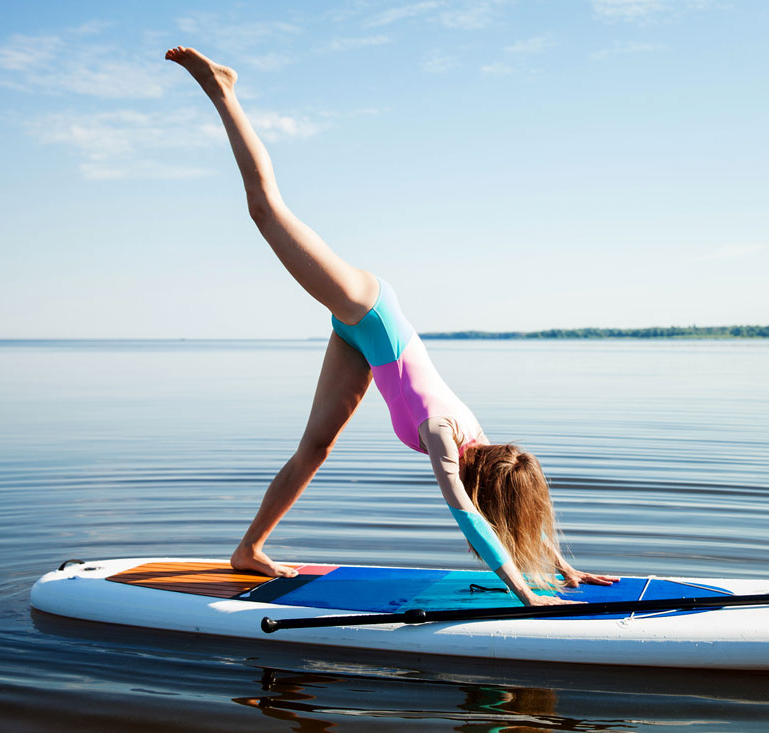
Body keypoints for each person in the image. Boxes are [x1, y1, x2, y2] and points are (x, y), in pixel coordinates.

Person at [166, 47, 618, 606]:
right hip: (369, 308)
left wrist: (563, 565)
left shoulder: (479, 446)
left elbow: (501, 509)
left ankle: (248, 549)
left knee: (315, 447)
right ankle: (223, 90)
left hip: (360, 342)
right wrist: (526, 593)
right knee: (265, 209)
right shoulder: (445, 437)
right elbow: (466, 513)